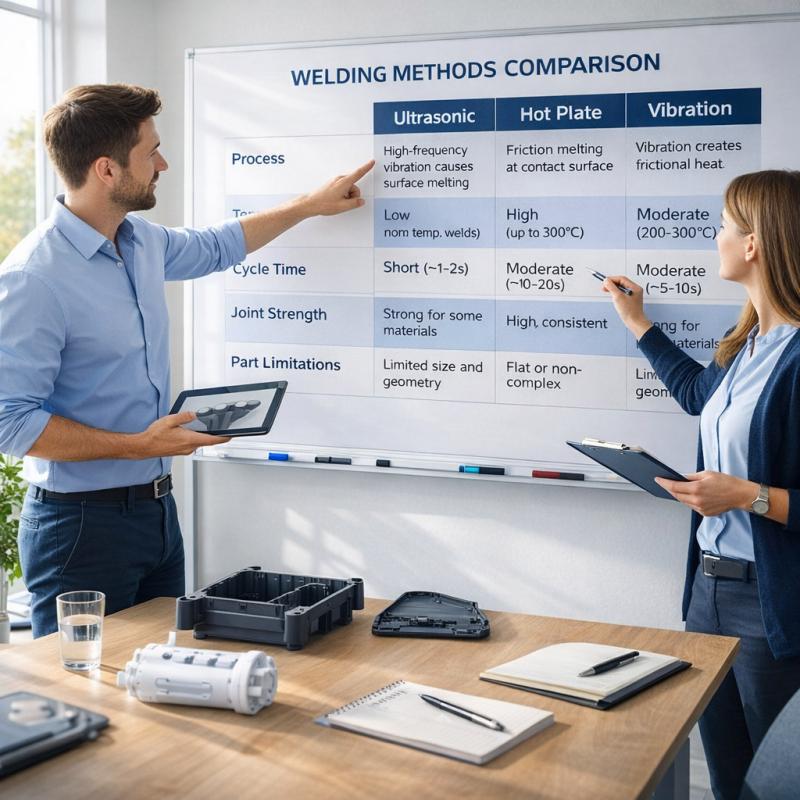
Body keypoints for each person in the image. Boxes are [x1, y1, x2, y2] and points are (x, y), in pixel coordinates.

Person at [0, 84, 373, 638]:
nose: (162, 164)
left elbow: (217, 246)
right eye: (150, 152)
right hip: (79, 527)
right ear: (106, 169)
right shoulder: (35, 277)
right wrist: (139, 446)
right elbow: (11, 423)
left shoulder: (141, 241)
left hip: (156, 514)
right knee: (83, 693)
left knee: (160, 673)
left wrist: (308, 206)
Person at [602, 170, 800, 800]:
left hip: (772, 609)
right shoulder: (744, 348)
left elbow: (757, 491)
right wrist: (637, 322)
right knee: (722, 779)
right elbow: (696, 395)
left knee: (774, 786)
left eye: (724, 226)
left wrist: (745, 496)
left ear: (755, 244)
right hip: (706, 593)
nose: (714, 237)